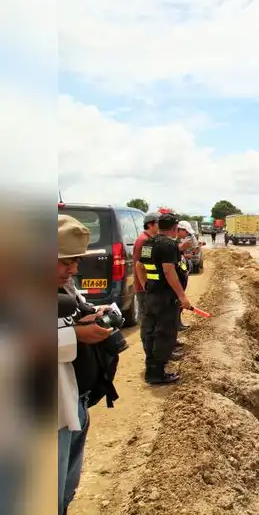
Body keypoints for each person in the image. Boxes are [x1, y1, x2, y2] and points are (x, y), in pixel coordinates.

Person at [57, 215, 113, 514]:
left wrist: (86, 318)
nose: (74, 269)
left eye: (76, 261)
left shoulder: (64, 289)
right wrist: (76, 334)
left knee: (64, 489)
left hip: (73, 404)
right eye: (67, 262)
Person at [138, 213, 192, 385]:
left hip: (152, 295)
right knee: (164, 333)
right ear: (175, 228)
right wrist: (182, 296)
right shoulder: (169, 244)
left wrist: (147, 285)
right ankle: (157, 374)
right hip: (166, 298)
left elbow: (140, 266)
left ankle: (152, 368)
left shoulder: (149, 242)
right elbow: (169, 271)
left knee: (150, 330)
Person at [133, 211, 159, 338]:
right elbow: (140, 265)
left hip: (150, 286)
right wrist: (145, 285)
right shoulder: (144, 241)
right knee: (148, 321)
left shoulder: (148, 240)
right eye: (158, 224)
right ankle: (150, 351)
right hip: (145, 287)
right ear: (150, 225)